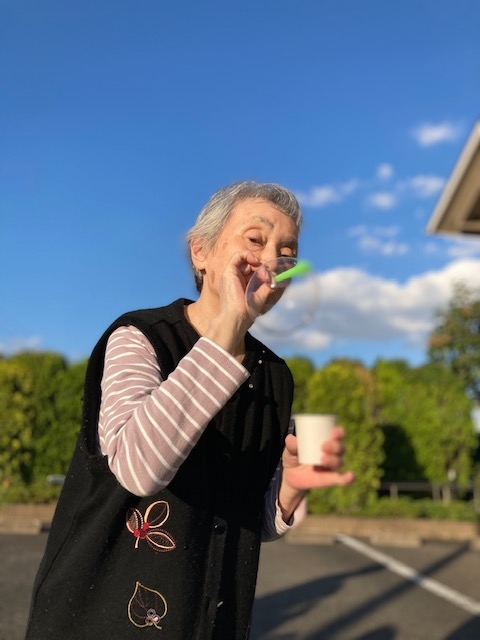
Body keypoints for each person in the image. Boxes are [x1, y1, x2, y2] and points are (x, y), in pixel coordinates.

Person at [25, 181, 354, 640]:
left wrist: (290, 489)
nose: (271, 260)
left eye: (287, 253)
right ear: (201, 252)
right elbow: (138, 469)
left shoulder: (275, 377)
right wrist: (228, 327)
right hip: (96, 617)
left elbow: (243, 520)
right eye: (255, 239)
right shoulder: (139, 338)